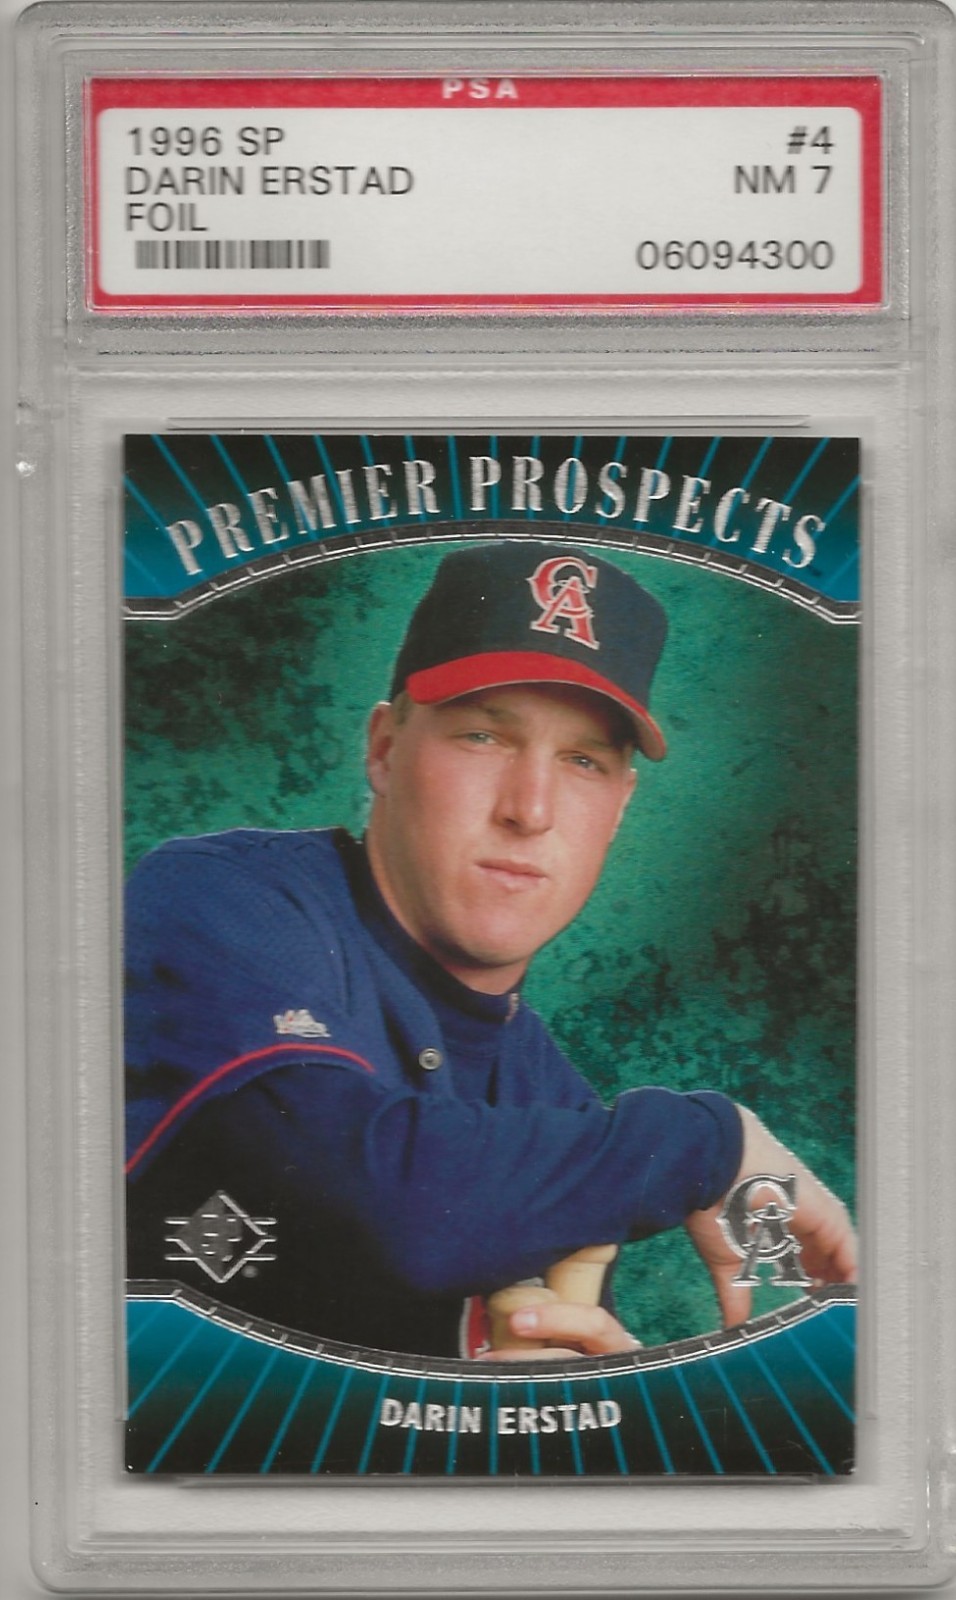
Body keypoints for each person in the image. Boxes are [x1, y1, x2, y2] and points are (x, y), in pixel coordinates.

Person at [125, 541, 856, 1360]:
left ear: (619, 807)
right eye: (483, 736)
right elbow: (383, 1206)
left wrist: (570, 1400)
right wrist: (710, 1144)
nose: (530, 809)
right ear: (385, 749)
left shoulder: (559, 1108)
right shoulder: (222, 900)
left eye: (583, 761)